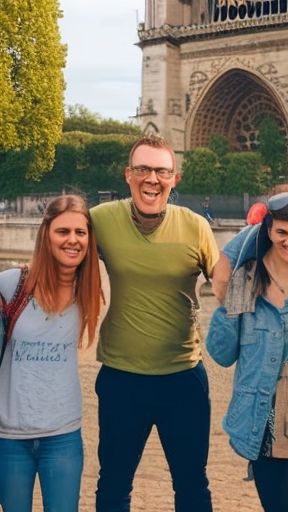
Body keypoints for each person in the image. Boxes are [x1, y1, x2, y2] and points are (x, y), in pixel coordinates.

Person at [90, 135, 219, 512]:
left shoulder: (196, 227)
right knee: (113, 484)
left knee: (193, 484)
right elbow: (60, 255)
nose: (152, 178)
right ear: (128, 175)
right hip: (120, 375)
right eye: (143, 169)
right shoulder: (100, 219)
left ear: (174, 179)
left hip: (183, 376)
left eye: (161, 171)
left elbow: (228, 288)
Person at [206, 188, 288, 511]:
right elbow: (221, 354)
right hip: (257, 417)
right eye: (282, 232)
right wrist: (226, 295)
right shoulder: (246, 281)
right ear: (268, 230)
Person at [0, 195, 102, 512]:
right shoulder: (11, 284)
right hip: (8, 436)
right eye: (63, 231)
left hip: (63, 435)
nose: (72, 240)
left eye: (80, 232)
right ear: (46, 234)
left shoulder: (94, 289)